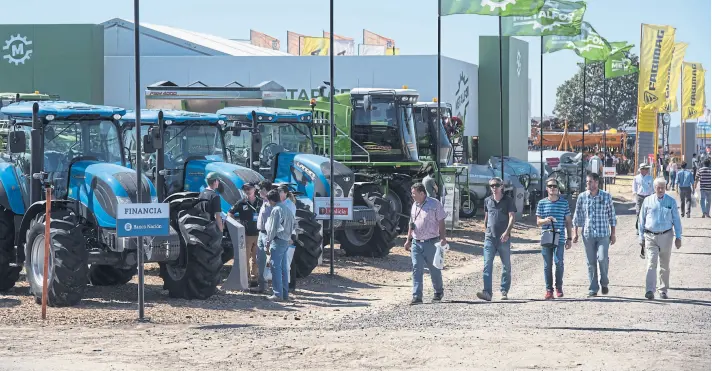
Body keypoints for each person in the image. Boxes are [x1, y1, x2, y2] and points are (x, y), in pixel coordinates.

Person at [573, 173, 617, 297]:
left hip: (603, 233)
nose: (588, 184)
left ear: (597, 183)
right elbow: (578, 215)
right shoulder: (582, 197)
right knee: (590, 262)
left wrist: (613, 234)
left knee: (602, 259)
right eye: (587, 182)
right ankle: (593, 288)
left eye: (590, 182)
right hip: (588, 234)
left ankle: (604, 281)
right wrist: (575, 232)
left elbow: (611, 216)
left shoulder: (606, 196)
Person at [638, 177, 683, 300]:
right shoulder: (647, 201)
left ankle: (663, 290)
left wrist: (678, 237)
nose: (661, 189)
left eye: (663, 187)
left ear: (665, 188)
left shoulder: (671, 202)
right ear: (654, 188)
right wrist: (640, 237)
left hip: (666, 236)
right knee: (651, 263)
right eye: (658, 187)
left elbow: (676, 221)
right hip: (650, 236)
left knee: (664, 264)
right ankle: (649, 290)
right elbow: (641, 220)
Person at [404, 183, 447, 305]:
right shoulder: (414, 205)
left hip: (431, 242)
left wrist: (443, 237)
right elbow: (411, 224)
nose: (412, 196)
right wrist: (408, 240)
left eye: (414, 193)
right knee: (416, 268)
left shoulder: (435, 204)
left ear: (422, 193)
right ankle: (417, 296)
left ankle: (438, 292)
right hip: (416, 243)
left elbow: (441, 221)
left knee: (434, 269)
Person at [476, 177, 516, 301]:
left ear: (502, 186)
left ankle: (504, 290)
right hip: (490, 238)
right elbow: (486, 217)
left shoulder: (508, 200)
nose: (494, 187)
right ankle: (487, 292)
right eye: (492, 185)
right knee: (487, 265)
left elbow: (512, 217)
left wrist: (507, 232)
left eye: (496, 185)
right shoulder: (487, 200)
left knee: (506, 266)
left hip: (503, 237)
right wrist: (486, 230)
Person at [536, 178, 573, 300]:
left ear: (558, 189)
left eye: (555, 186)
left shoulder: (564, 203)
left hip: (560, 238)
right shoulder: (541, 203)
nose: (552, 188)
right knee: (547, 265)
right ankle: (549, 290)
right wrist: (546, 220)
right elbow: (538, 222)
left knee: (559, 263)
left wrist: (569, 238)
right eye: (550, 186)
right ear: (546, 188)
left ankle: (559, 287)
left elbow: (568, 221)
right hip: (546, 237)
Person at [264, 189, 295, 302]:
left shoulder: (276, 210)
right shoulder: (287, 209)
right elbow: (294, 224)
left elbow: (272, 229)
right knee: (283, 269)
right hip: (286, 240)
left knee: (275, 267)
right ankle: (284, 294)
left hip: (278, 241)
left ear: (271, 200)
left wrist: (267, 243)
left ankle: (277, 294)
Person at [228, 182, 262, 286]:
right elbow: (230, 213)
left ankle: (254, 278)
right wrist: (237, 225)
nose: (247, 191)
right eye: (245, 189)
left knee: (256, 257)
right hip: (246, 235)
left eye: (249, 188)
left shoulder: (261, 202)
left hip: (259, 234)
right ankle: (246, 278)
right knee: (246, 258)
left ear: (254, 189)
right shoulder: (241, 202)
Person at [253, 180, 274, 293]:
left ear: (265, 190)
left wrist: (270, 239)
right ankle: (262, 286)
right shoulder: (264, 201)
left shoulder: (271, 203)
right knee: (260, 260)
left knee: (271, 261)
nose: (258, 191)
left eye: (260, 189)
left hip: (267, 234)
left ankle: (276, 288)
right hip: (261, 233)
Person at [277, 184, 299, 293]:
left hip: (288, 234)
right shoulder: (279, 204)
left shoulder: (290, 205)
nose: (279, 194)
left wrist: (290, 236)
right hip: (281, 234)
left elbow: (290, 221)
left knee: (289, 260)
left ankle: (291, 284)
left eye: (281, 192)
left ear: (285, 193)